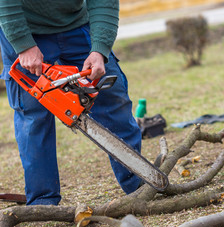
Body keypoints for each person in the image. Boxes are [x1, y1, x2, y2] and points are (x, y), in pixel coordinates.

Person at [0, 0, 143, 205]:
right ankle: (43, 202)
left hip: (76, 23)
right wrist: (23, 44)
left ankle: (138, 183)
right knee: (33, 113)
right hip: (24, 26)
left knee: (112, 95)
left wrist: (99, 50)